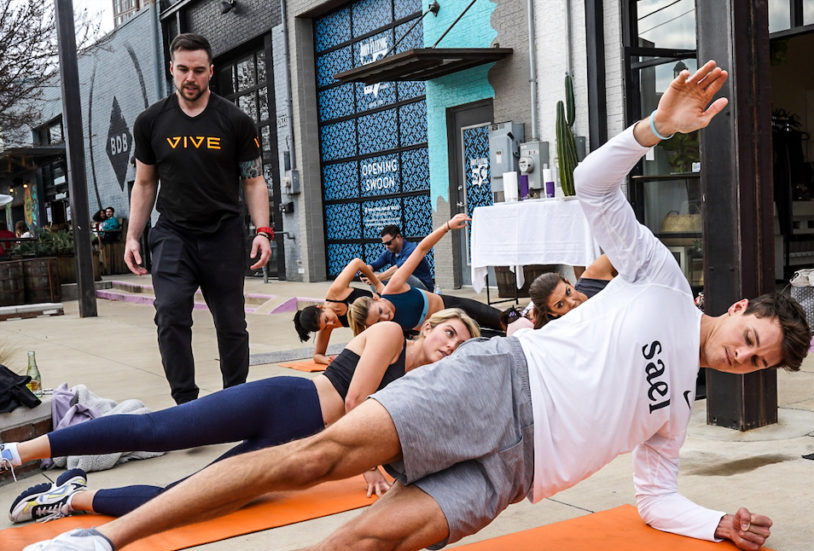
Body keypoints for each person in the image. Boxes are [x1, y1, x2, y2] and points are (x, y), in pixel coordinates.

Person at [21, 61, 812, 551]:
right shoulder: (664, 284)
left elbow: (656, 496)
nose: (743, 355)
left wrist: (714, 523)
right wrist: (650, 130)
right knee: (315, 458)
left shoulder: (677, 407)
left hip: (511, 477)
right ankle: (101, 541)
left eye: (757, 362)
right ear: (740, 305)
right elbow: (592, 186)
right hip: (495, 384)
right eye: (752, 336)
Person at [3, 309, 479, 517]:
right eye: (451, 333)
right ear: (433, 327)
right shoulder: (393, 334)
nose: (451, 345)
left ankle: (71, 497)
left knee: (189, 499)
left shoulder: (422, 383)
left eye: (461, 345)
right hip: (284, 401)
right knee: (158, 429)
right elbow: (356, 403)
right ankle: (17, 451)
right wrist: (372, 464)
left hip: (293, 445)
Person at [123, 33, 272, 405]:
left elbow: (253, 181)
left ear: (211, 71)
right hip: (173, 233)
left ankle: (232, 403)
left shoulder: (235, 120)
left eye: (199, 70)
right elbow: (144, 184)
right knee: (171, 315)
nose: (191, 78)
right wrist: (132, 237)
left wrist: (263, 231)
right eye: (184, 70)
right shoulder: (150, 122)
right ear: (172, 70)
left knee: (232, 325)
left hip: (222, 233)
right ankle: (187, 406)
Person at [338, 214, 505, 336]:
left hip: (449, 304)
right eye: (379, 320)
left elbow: (422, 248)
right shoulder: (387, 328)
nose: (386, 316)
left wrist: (447, 226)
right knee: (495, 338)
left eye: (381, 311)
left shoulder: (393, 288)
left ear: (377, 298)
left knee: (504, 319)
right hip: (445, 328)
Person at [292, 258, 376, 365]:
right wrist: (328, 360)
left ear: (321, 307)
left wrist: (377, 284)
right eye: (326, 326)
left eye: (326, 319)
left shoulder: (335, 292)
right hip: (379, 324)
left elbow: (357, 263)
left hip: (383, 300)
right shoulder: (327, 326)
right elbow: (317, 355)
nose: (331, 324)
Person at [528, 254, 618, 329]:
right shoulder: (569, 331)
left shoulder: (595, 275)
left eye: (568, 292)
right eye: (560, 305)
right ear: (552, 313)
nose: (572, 302)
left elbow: (625, 253)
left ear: (569, 283)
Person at [367, 224, 434, 292]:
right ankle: (384, 300)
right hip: (406, 288)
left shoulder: (411, 250)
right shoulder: (390, 252)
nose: (387, 246)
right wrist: (365, 273)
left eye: (389, 243)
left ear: (398, 237)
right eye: (385, 244)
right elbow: (374, 265)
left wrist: (376, 278)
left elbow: (398, 269)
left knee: (401, 274)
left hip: (424, 289)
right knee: (372, 274)